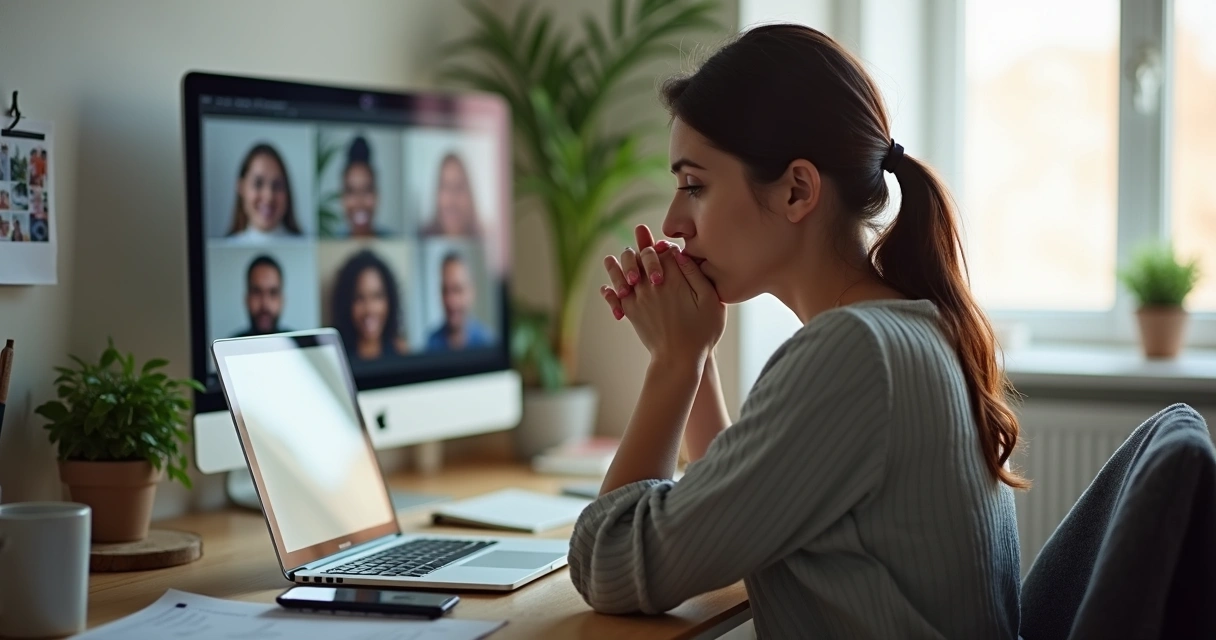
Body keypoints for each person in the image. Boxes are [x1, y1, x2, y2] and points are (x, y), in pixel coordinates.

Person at [573, 25, 1023, 639]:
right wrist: (694, 355)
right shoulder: (916, 327)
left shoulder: (854, 353)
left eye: (694, 185)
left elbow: (609, 566)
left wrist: (672, 366)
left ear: (797, 190)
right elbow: (739, 507)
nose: (673, 222)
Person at [331, 249, 408, 361]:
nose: (369, 309)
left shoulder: (400, 351)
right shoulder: (336, 356)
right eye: (359, 298)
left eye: (377, 296)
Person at [226, 143, 301, 241]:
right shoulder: (219, 253)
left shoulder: (311, 250)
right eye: (258, 184)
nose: (269, 196)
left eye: (277, 185)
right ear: (241, 187)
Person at [426, 252, 493, 351]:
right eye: (445, 290)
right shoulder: (431, 343)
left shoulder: (488, 342)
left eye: (457, 290)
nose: (450, 301)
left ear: (471, 292)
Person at [421, 152, 482, 237]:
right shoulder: (422, 238)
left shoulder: (485, 239)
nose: (451, 199)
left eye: (458, 187)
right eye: (446, 187)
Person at [340, 135, 389, 238]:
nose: (359, 201)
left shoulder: (395, 245)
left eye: (367, 190)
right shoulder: (330, 246)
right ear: (342, 196)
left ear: (377, 194)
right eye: (351, 191)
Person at [232, 255, 289, 337]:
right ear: (246, 299)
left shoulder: (303, 345)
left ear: (282, 300)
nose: (265, 304)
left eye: (273, 293)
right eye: (256, 292)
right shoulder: (229, 347)